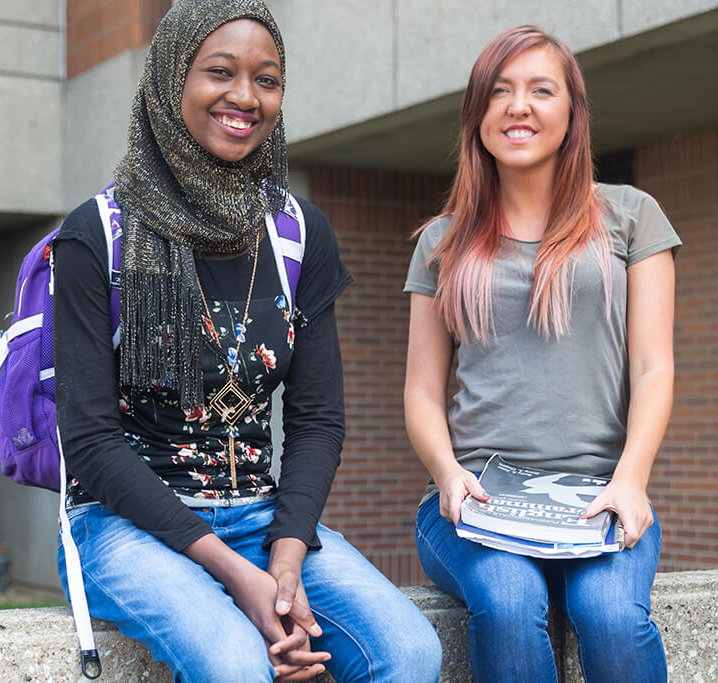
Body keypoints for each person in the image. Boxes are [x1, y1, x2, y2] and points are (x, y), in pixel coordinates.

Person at [52, 2, 442, 681]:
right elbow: (88, 440)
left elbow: (319, 418)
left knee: (411, 653)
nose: (245, 96)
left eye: (267, 79)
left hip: (263, 517)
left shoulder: (296, 231)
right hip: (119, 525)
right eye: (220, 72)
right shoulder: (99, 232)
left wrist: (284, 559)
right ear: (173, 79)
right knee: (236, 663)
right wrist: (238, 577)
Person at [403, 25, 681, 683]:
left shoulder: (631, 216)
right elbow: (421, 390)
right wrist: (447, 474)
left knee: (612, 616)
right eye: (499, 91)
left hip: (600, 495)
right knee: (506, 600)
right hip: (475, 499)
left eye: (540, 90)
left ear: (571, 113)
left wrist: (631, 479)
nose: (518, 106)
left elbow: (653, 367)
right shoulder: (442, 242)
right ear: (477, 115)